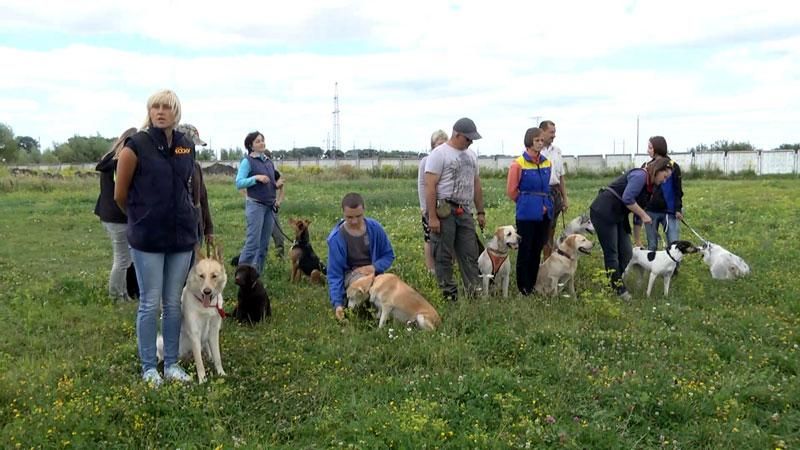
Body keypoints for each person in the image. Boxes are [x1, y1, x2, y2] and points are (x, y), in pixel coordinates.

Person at [114, 89, 197, 386]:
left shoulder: (186, 146)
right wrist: (142, 216)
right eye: (155, 107)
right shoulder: (135, 146)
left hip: (181, 236)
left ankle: (172, 363)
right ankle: (149, 366)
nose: (160, 112)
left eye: (166, 107)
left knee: (173, 302)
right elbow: (120, 195)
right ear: (149, 112)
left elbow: (189, 186)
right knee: (150, 303)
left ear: (176, 112)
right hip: (148, 237)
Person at [589, 157, 674, 300]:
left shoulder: (651, 187)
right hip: (603, 211)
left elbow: (637, 215)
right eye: (664, 176)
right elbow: (628, 198)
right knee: (612, 253)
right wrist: (644, 214)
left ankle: (614, 281)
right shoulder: (640, 176)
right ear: (657, 171)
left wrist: (637, 239)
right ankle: (618, 289)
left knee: (627, 252)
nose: (664, 180)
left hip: (618, 215)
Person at [425, 117, 486, 301]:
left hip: (464, 210)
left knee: (470, 253)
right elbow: (430, 186)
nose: (470, 142)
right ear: (457, 135)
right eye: (468, 139)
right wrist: (433, 217)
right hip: (445, 210)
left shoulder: (472, 155)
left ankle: (473, 292)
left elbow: (476, 183)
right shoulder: (439, 154)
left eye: (472, 140)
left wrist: (480, 211)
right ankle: (448, 295)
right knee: (443, 255)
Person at [327, 192, 395, 320]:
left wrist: (374, 267)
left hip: (375, 272)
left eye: (358, 216)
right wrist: (337, 304)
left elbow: (389, 255)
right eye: (349, 217)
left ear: (364, 209)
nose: (354, 221)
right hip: (352, 275)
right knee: (365, 285)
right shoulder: (336, 238)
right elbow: (334, 274)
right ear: (343, 213)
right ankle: (369, 311)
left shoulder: (375, 228)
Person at [506, 128, 553, 295]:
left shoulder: (547, 162)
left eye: (542, 140)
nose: (540, 143)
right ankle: (523, 287)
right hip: (527, 213)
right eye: (537, 140)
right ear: (529, 142)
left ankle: (532, 284)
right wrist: (529, 203)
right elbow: (512, 191)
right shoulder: (518, 164)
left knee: (537, 248)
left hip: (545, 212)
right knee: (525, 249)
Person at [94, 127, 138, 301]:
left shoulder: (108, 159)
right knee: (121, 260)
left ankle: (124, 293)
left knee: (125, 258)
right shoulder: (121, 161)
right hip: (118, 216)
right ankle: (115, 296)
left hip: (107, 214)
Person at [235, 131, 283, 273]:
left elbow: (271, 182)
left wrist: (277, 184)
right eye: (257, 141)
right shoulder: (247, 162)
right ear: (251, 145)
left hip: (269, 207)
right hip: (256, 206)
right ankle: (242, 275)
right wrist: (256, 178)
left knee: (264, 245)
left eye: (262, 140)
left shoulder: (268, 161)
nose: (261, 143)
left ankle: (256, 276)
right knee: (252, 244)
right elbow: (239, 183)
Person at [633, 136, 684, 252]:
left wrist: (678, 208)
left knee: (673, 243)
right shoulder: (646, 166)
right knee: (652, 245)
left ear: (658, 148)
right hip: (650, 211)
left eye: (650, 148)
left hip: (670, 212)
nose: (648, 151)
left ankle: (673, 268)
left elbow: (678, 190)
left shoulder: (674, 166)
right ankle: (653, 268)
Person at [175, 123, 214, 247]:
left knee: (195, 262)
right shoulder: (168, 166)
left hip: (196, 224)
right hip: (176, 226)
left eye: (193, 146)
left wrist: (209, 228)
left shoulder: (195, 167)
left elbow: (203, 198)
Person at [418, 129, 448, 274]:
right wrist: (425, 207)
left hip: (446, 206)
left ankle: (448, 266)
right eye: (438, 144)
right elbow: (422, 184)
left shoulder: (449, 160)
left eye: (444, 144)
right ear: (433, 145)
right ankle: (431, 268)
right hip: (430, 206)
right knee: (429, 238)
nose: (441, 147)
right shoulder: (426, 161)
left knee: (448, 237)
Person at [540, 120, 569, 259]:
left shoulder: (557, 151)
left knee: (551, 229)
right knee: (541, 229)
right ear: (542, 132)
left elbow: (561, 176)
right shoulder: (535, 151)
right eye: (551, 132)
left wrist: (565, 199)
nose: (554, 135)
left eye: (554, 133)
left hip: (555, 193)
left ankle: (547, 261)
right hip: (541, 194)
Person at [266, 149, 287, 259]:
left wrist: (278, 202)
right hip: (258, 210)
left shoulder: (275, 173)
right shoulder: (255, 174)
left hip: (271, 210)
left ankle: (280, 260)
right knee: (257, 239)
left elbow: (282, 189)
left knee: (279, 237)